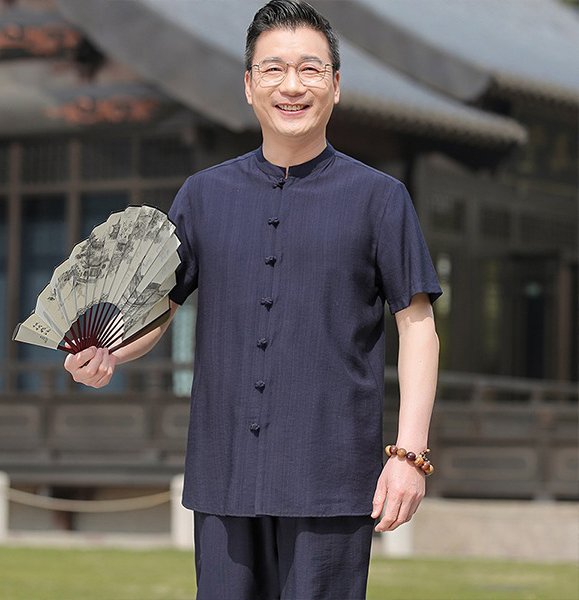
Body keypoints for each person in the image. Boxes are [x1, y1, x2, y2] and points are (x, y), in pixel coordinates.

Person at [65, 1, 442, 598]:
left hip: (332, 477)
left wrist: (409, 454)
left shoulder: (381, 198)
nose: (291, 86)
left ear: (335, 86)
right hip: (224, 474)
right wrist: (109, 351)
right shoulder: (202, 195)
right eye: (273, 69)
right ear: (248, 85)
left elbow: (417, 324)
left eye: (310, 69)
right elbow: (160, 307)